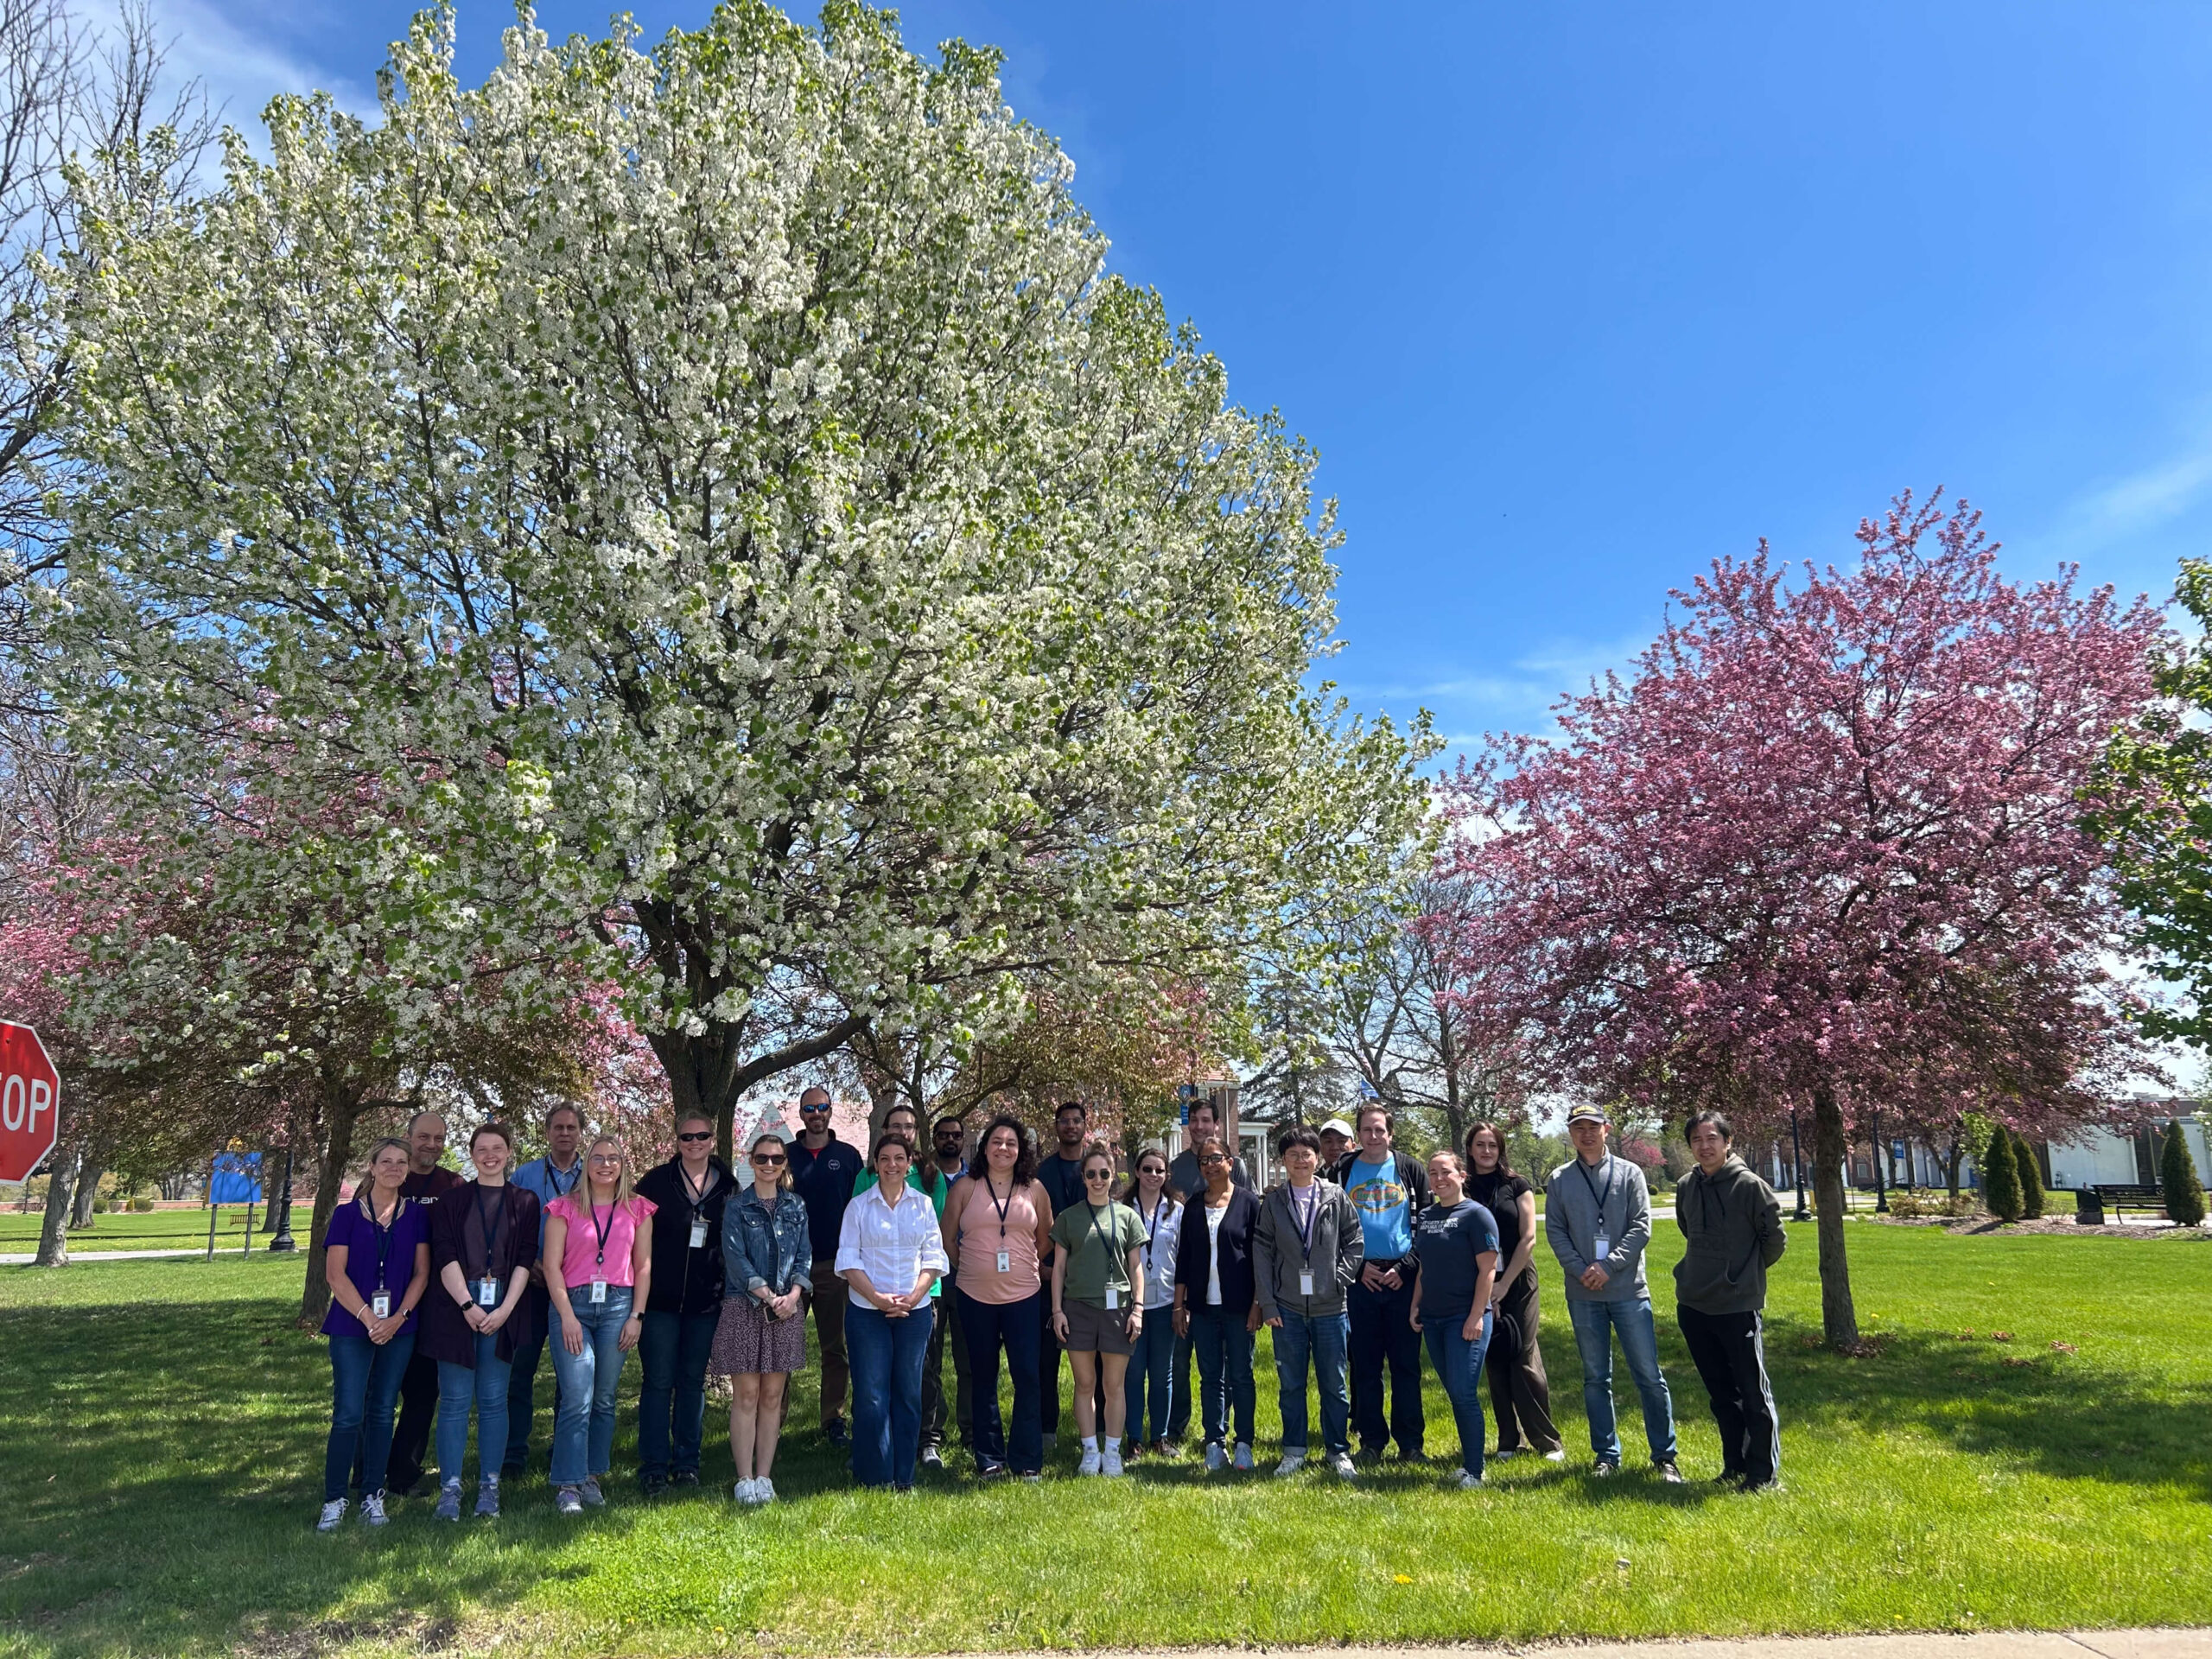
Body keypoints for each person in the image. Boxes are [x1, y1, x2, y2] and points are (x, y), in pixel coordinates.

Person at [1545, 1103, 1681, 1481]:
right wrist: (1580, 1269)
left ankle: (1665, 1456)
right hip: (1583, 1294)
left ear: (1606, 1129)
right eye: (1578, 1128)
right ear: (1571, 1134)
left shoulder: (1630, 1173)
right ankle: (1606, 1455)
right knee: (1595, 1378)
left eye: (1593, 1127)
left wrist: (1608, 1265)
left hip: (1628, 1291)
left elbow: (1641, 1226)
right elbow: (1555, 1231)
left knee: (1649, 1375)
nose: (1586, 1134)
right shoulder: (1559, 1179)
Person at [421, 1122, 539, 1521]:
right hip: (457, 1306)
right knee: (454, 1402)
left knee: (493, 1401)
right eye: (482, 1149)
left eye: (498, 1148)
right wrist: (469, 1304)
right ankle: (450, 1489)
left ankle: (490, 1487)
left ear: (509, 1152)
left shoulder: (525, 1202)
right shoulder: (451, 1202)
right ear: (471, 1154)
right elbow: (444, 1254)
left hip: (506, 1304)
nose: (490, 1155)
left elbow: (525, 1258)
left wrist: (504, 1310)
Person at [317, 1139, 431, 1530]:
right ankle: (334, 1499)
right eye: (387, 1161)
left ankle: (372, 1495)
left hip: (399, 1327)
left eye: (402, 1163)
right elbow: (335, 1275)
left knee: (383, 1411)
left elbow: (421, 1274)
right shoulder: (347, 1215)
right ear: (371, 1166)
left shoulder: (415, 1215)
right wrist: (368, 1317)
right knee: (349, 1413)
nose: (395, 1168)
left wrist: (398, 1317)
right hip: (352, 1325)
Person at [1674, 1109, 1788, 1491]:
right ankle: (1734, 1465)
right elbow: (1687, 1229)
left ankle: (1763, 1474)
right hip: (1694, 1303)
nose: (1705, 1146)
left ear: (1727, 1142)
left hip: (1737, 1305)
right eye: (1697, 1140)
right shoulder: (1686, 1186)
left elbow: (1774, 1240)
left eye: (1712, 1139)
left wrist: (1743, 1274)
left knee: (1753, 1393)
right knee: (1721, 1394)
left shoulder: (1750, 1186)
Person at [543, 1135, 657, 1514]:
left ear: (623, 1165)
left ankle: (591, 1476)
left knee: (605, 1399)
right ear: (586, 1164)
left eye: (613, 1158)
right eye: (597, 1158)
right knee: (577, 1397)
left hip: (618, 1306)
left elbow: (643, 1266)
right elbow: (551, 1267)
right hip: (572, 1305)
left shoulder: (638, 1209)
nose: (605, 1165)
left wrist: (636, 1316)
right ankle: (567, 1485)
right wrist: (567, 1317)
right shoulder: (564, 1208)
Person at [943, 1114, 1056, 1481]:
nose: (1003, 1148)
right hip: (975, 1296)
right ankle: (989, 1457)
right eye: (996, 1141)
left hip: (1024, 1297)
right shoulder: (965, 1187)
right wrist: (972, 1268)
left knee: (1027, 1376)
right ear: (984, 1147)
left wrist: (1024, 1266)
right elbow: (947, 1240)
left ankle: (1027, 1460)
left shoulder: (1034, 1189)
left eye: (1010, 1142)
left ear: (1020, 1150)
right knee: (982, 1377)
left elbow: (1045, 1240)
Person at [837, 1134, 949, 1491]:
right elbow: (848, 1261)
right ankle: (876, 1476)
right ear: (875, 1163)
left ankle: (904, 1476)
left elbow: (933, 1258)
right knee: (871, 1397)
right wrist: (880, 1298)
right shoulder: (858, 1207)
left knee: (908, 1393)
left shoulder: (924, 1206)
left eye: (899, 1158)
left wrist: (914, 1297)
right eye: (885, 1158)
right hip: (867, 1311)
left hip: (914, 1314)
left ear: (909, 1162)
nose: (892, 1165)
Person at [1254, 1124, 1363, 1478]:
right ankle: (1294, 1450)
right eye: (1293, 1155)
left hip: (1331, 1307)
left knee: (1335, 1382)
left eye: (1307, 1154)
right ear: (1283, 1161)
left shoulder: (1335, 1196)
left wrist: (1339, 1278)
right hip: (1286, 1308)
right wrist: (1268, 1304)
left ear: (1317, 1158)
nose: (1301, 1161)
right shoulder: (1273, 1202)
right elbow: (1262, 1253)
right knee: (1291, 1384)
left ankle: (1338, 1450)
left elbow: (1355, 1240)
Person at [632, 1112, 734, 1495]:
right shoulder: (655, 1183)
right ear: (677, 1141)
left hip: (706, 1303)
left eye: (702, 1135)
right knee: (658, 1382)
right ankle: (654, 1466)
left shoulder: (728, 1186)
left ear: (713, 1139)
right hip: (658, 1302)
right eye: (687, 1137)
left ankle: (687, 1463)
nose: (694, 1142)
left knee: (692, 1383)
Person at [715, 1126, 810, 1506]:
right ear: (751, 1163)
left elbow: (805, 1254)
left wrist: (794, 1295)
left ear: (785, 1163)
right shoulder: (737, 1207)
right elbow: (734, 1258)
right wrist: (770, 1296)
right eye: (761, 1159)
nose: (768, 1165)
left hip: (786, 1309)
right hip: (745, 1306)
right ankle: (743, 1478)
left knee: (773, 1396)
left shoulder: (796, 1206)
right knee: (747, 1395)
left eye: (776, 1159)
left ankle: (765, 1477)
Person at [1464, 1121, 1564, 1463]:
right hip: (1478, 1280)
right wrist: (1485, 1285)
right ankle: (1508, 1440)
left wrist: (1504, 1284)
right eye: (1480, 1144)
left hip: (1518, 1280)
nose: (1487, 1151)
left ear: (1501, 1148)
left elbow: (1529, 1238)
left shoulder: (1517, 1184)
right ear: (1471, 1148)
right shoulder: (1464, 1186)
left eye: (1492, 1144)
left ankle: (1547, 1440)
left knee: (1521, 1353)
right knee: (1493, 1355)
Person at [1338, 1104, 1430, 1464]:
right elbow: (1332, 1227)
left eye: (1380, 1130)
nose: (1373, 1136)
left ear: (1390, 1134)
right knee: (1366, 1365)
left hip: (1403, 1280)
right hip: (1360, 1279)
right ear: (1357, 1135)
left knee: (1406, 1365)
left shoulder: (1410, 1170)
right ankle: (1371, 1441)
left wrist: (1406, 1268)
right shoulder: (1343, 1169)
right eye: (1366, 1130)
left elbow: (1426, 1225)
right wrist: (1359, 1268)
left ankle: (1411, 1444)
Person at [1049, 1144, 1147, 1476]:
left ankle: (1114, 1452)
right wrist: (1058, 1311)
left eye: (1104, 1174)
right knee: (1085, 1384)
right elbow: (1059, 1269)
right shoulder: (1069, 1217)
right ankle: (1090, 1450)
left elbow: (1136, 1268)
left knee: (1114, 1386)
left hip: (1118, 1309)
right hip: (1078, 1309)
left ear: (1113, 1176)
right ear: (1083, 1178)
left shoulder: (1127, 1216)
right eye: (1090, 1174)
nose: (1097, 1180)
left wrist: (1138, 1308)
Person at [1408, 1151, 1500, 1488]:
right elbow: (1423, 1266)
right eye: (1432, 1173)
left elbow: (1488, 1270)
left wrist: (1477, 1316)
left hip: (1466, 1317)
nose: (1438, 1179)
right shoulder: (1428, 1215)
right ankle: (1467, 1465)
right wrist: (1415, 1305)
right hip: (1433, 1318)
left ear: (1462, 1175)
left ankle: (1475, 1470)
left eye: (1445, 1172)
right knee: (1455, 1392)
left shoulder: (1477, 1215)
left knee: (1463, 1392)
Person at [383, 1110, 463, 1497]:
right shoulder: (386, 1176)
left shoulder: (452, 1184)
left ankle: (403, 1475)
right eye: (424, 1137)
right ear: (408, 1136)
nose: (431, 1145)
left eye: (439, 1138)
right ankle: (365, 1474)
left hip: (433, 1309)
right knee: (377, 1394)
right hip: (382, 1306)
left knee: (421, 1395)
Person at [505, 1103, 586, 1477]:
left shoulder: (597, 1174)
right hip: (530, 1285)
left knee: (569, 1374)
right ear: (547, 1131)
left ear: (581, 1131)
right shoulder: (524, 1176)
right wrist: (529, 1266)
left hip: (578, 1292)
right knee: (520, 1369)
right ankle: (514, 1453)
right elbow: (508, 1228)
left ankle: (561, 1445)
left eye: (571, 1127)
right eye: (558, 1127)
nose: (565, 1133)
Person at [1164, 1096, 1250, 1445]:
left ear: (1216, 1124)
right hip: (1190, 1281)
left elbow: (1247, 1225)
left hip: (1232, 1288)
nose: (1199, 1126)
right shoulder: (1174, 1168)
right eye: (1194, 1121)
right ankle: (1178, 1427)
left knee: (1233, 1367)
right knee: (1184, 1364)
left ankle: (1226, 1430)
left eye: (1205, 1121)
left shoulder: (1240, 1169)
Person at [1172, 1135, 1262, 1471]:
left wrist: (1257, 1303)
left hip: (1240, 1308)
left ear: (1230, 1162)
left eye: (1216, 1158)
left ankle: (1244, 1444)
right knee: (1210, 1377)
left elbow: (1259, 1258)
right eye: (1204, 1160)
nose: (1210, 1165)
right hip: (1203, 1309)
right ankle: (1214, 1443)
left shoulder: (1249, 1203)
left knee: (1242, 1376)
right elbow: (1185, 1258)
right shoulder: (1193, 1206)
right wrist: (1179, 1306)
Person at [788, 1086, 864, 1446]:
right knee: (784, 1346)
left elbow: (861, 1209)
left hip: (836, 1266)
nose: (816, 1113)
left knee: (836, 1348)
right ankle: (775, 1416)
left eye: (821, 1107)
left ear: (830, 1111)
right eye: (809, 1108)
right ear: (800, 1114)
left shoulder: (848, 1156)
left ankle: (833, 1418)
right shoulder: (784, 1156)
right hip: (790, 1270)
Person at [1033, 1101, 1092, 1446]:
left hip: (1088, 1280)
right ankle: (1046, 1430)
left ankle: (1100, 1430)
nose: (1070, 1126)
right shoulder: (1043, 1172)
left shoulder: (1096, 1169)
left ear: (1085, 1126)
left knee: (1095, 1363)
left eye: (1076, 1121)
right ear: (1056, 1127)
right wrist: (1039, 1266)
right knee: (1045, 1361)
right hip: (1046, 1275)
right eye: (1064, 1121)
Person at [1120, 1149, 1182, 1457]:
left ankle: (1159, 1436)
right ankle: (1134, 1439)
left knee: (1162, 1373)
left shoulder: (1177, 1211)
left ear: (1167, 1175)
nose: (1153, 1175)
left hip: (1166, 1302)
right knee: (1132, 1373)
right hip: (1131, 1304)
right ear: (1136, 1171)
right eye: (1148, 1169)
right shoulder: (1121, 1210)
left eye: (1160, 1170)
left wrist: (1182, 1305)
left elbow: (1183, 1259)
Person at [925, 1114, 975, 1459]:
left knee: (969, 1359)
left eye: (956, 1135)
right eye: (943, 1135)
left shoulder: (978, 1180)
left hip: (969, 1278)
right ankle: (931, 1434)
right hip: (928, 1281)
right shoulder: (921, 1178)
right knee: (929, 1360)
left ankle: (971, 1431)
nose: (950, 1140)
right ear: (935, 1140)